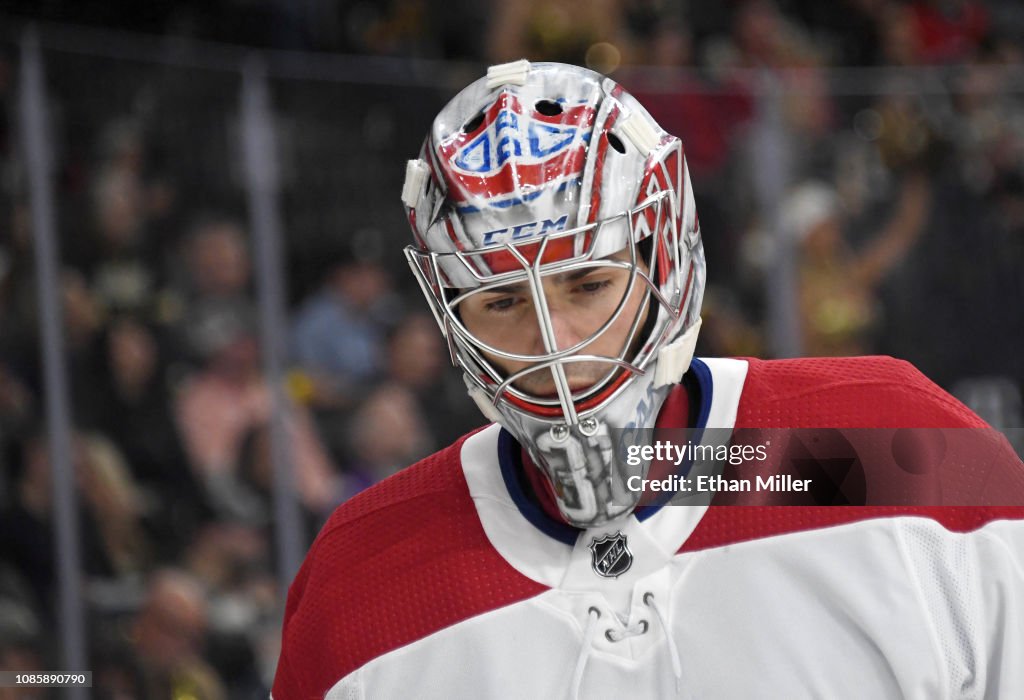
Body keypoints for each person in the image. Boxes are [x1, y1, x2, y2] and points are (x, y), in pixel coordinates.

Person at [273, 60, 1024, 699]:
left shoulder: (888, 450)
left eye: (588, 284)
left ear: (664, 261)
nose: (555, 347)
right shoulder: (359, 589)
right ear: (447, 311)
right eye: (501, 301)